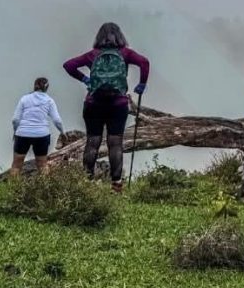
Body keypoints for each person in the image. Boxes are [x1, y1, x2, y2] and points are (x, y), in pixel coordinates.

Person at [63, 23, 150, 193]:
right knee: (115, 143)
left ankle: (87, 183)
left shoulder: (93, 55)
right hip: (118, 104)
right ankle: (116, 185)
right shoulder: (125, 53)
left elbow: (69, 65)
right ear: (120, 36)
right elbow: (144, 62)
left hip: (93, 103)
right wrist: (142, 84)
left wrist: (85, 79)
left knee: (93, 141)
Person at [10, 77, 65, 177]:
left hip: (22, 134)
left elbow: (15, 119)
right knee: (42, 165)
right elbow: (57, 120)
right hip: (42, 135)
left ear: (34, 86)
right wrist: (62, 132)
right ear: (47, 88)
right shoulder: (49, 101)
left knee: (17, 165)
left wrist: (15, 131)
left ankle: (13, 189)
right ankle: (45, 190)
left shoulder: (24, 99)